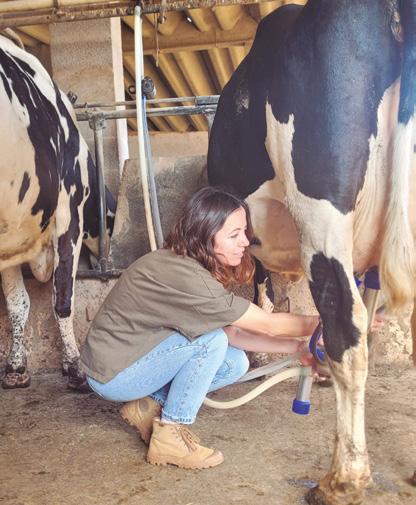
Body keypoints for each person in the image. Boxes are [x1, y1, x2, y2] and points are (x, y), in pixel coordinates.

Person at [80, 186, 320, 470]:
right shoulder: (188, 279)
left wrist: (298, 347)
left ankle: (147, 407)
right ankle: (170, 436)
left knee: (234, 363)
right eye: (234, 235)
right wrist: (330, 323)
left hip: (126, 359)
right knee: (211, 343)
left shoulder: (184, 264)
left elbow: (234, 334)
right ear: (206, 236)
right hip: (113, 374)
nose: (246, 242)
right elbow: (267, 325)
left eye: (244, 231)